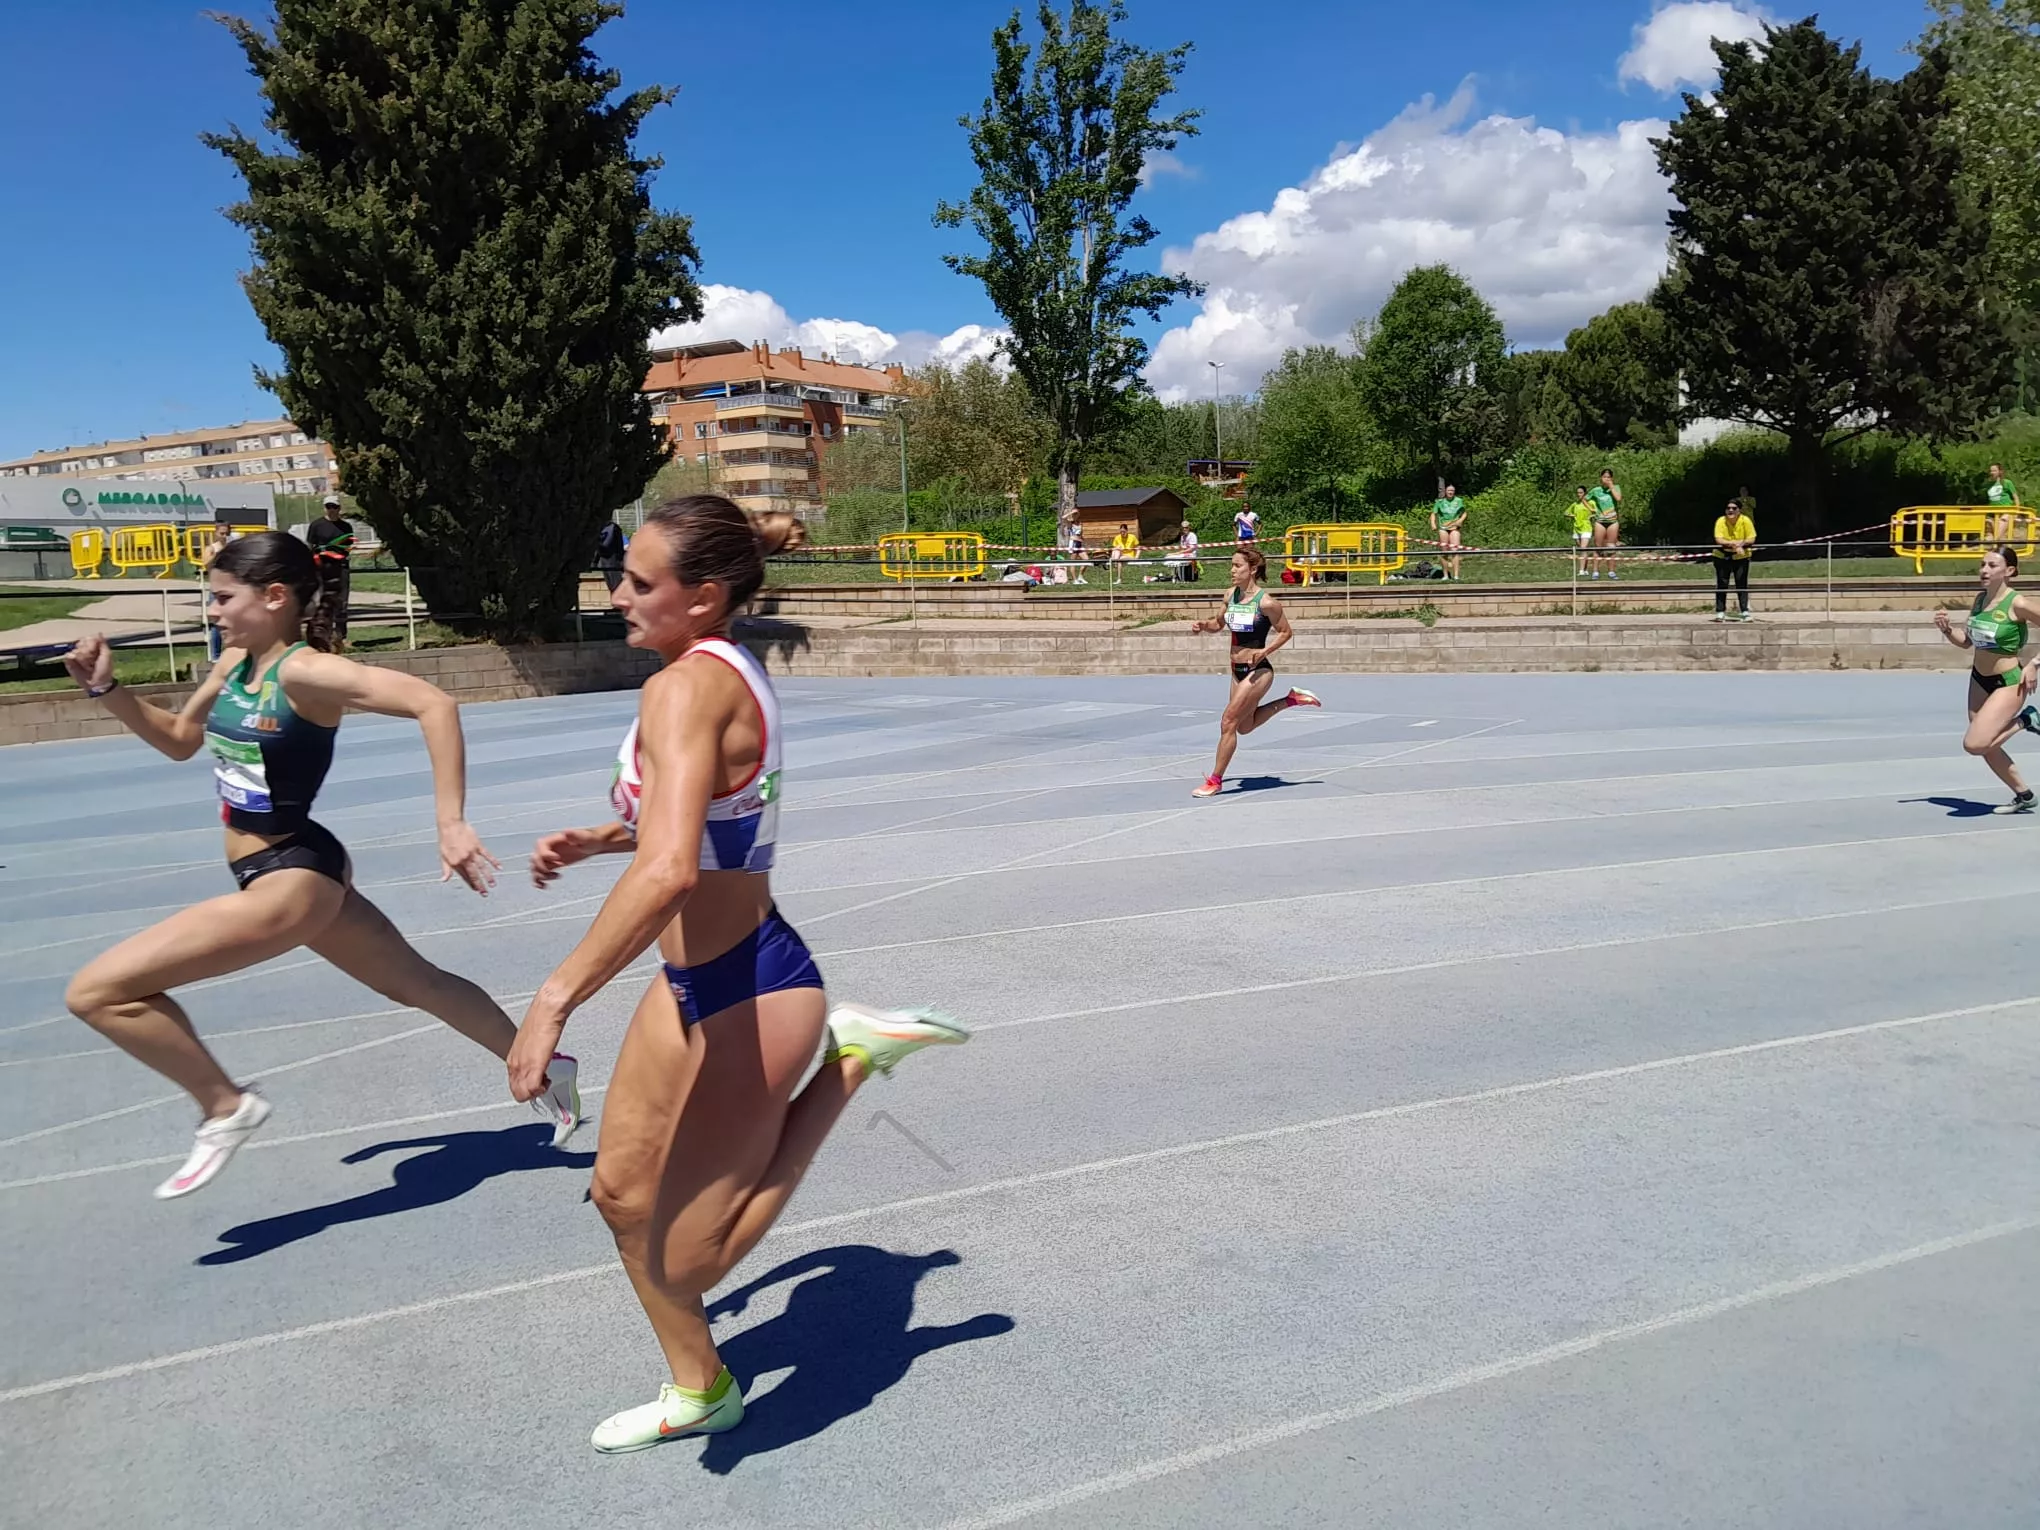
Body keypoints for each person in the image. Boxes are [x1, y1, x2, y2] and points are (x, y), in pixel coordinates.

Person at [506, 493, 969, 1453]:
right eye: (620, 577)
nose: (619, 597)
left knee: (686, 1264)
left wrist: (553, 999)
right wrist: (607, 836)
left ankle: (849, 1060)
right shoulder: (712, 670)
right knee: (622, 1197)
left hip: (755, 988)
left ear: (704, 596)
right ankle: (702, 1386)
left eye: (640, 584)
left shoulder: (683, 687)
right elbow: (700, 821)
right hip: (692, 987)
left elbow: (674, 868)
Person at [60, 531, 580, 1200]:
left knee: (96, 993)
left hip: (291, 879)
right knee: (420, 984)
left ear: (275, 597)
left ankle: (225, 1106)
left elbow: (435, 703)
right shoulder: (233, 664)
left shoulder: (306, 673)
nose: (212, 611)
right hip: (298, 865)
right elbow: (180, 741)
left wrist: (450, 821)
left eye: (222, 597)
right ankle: (545, 1065)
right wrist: (109, 691)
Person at [1185, 545, 1322, 799]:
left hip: (1258, 670)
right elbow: (1218, 624)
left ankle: (1215, 780)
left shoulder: (1267, 603)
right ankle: (1291, 699)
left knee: (1228, 721)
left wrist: (1266, 651)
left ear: (1253, 569)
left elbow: (1286, 632)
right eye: (1232, 565)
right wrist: (1204, 625)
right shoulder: (1230, 596)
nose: (1232, 570)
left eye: (1237, 566)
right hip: (1236, 671)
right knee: (1244, 727)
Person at [1932, 545, 2040, 813]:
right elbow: (1968, 643)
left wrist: (2035, 664)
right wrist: (1948, 631)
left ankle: (2027, 719)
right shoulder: (1980, 600)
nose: (1984, 570)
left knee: (1975, 744)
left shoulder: (2018, 603)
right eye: (1982, 564)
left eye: (1992, 566)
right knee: (1988, 744)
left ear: (2010, 571)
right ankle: (2024, 795)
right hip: (1979, 678)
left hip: (2009, 680)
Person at [305, 495, 356, 645]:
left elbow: (348, 546)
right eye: (328, 507)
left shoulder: (346, 527)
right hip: (322, 567)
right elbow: (311, 546)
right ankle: (322, 636)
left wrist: (338, 552)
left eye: (334, 507)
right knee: (323, 601)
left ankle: (341, 636)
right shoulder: (316, 525)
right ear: (324, 508)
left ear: (339, 508)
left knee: (342, 602)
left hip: (341, 567)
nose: (331, 510)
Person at [1712, 496, 1757, 621]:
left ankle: (1744, 611)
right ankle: (1720, 612)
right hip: (1722, 556)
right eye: (1728, 508)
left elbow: (1751, 538)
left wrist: (1740, 544)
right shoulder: (1721, 521)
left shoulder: (1745, 520)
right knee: (1722, 584)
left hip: (1742, 556)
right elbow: (1718, 539)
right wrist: (1733, 544)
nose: (1730, 511)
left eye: (1734, 508)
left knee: (1741, 583)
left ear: (1739, 510)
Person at [1588, 468, 1622, 580]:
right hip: (1600, 521)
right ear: (1601, 478)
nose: (1606, 479)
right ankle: (1595, 571)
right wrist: (1591, 510)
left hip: (1612, 521)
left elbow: (1618, 498)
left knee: (1611, 547)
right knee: (1598, 546)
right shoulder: (1596, 490)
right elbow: (1585, 499)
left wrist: (1611, 486)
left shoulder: (1615, 488)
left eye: (1608, 477)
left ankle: (1611, 571)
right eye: (1604, 477)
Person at [1430, 483, 1467, 581]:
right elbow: (1434, 514)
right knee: (1444, 551)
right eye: (1449, 491)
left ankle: (1456, 575)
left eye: (1452, 491)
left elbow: (1464, 513)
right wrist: (1433, 524)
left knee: (1455, 551)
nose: (1450, 492)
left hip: (1454, 527)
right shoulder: (1440, 502)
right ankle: (1445, 575)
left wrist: (1460, 521)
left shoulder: (1459, 501)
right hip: (1443, 527)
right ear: (1445, 492)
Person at [1985, 463, 2023, 545]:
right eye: (1991, 471)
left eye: (1994, 470)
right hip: (1992, 512)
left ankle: (1997, 549)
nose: (1992, 473)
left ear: (2000, 472)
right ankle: (2001, 551)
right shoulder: (1988, 484)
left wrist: (2017, 511)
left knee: (1997, 535)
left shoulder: (2007, 482)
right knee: (1994, 535)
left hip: (2006, 511)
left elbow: (2015, 497)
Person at [596, 518, 629, 594]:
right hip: (605, 561)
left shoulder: (612, 527)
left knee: (616, 586)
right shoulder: (602, 528)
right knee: (612, 585)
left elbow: (607, 544)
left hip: (613, 561)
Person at [1568, 487, 1594, 578]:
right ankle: (1586, 569)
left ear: (1585, 493)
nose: (1579, 494)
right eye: (1578, 493)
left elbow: (1596, 511)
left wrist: (1592, 516)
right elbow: (1566, 513)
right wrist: (1572, 515)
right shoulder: (1575, 504)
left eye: (1581, 492)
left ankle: (1581, 570)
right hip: (1576, 528)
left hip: (1586, 528)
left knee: (1583, 548)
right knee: (1582, 550)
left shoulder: (1590, 503)